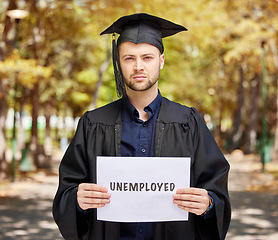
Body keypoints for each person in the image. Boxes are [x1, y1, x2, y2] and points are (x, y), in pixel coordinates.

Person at [52, 13, 231, 240]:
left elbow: (216, 191)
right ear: (118, 62)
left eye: (147, 57)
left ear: (161, 61)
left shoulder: (189, 122)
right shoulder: (93, 124)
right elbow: (66, 192)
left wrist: (208, 204)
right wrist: (76, 200)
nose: (138, 66)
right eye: (129, 58)